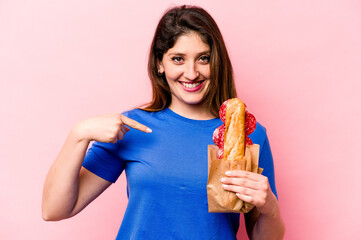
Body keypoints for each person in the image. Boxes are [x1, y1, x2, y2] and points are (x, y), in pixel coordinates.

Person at [42, 5, 285, 240]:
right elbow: (54, 209)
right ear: (160, 63)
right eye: (178, 59)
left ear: (217, 62)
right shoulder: (132, 128)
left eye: (203, 58)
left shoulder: (246, 135)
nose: (191, 73)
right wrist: (79, 134)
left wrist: (270, 207)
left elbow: (263, 238)